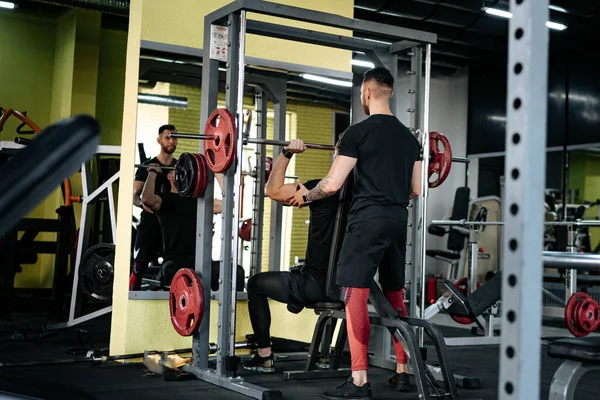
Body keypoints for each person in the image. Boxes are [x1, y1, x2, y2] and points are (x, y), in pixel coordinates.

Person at [292, 67, 422, 399]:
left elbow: (334, 184)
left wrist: (306, 196)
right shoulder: (411, 139)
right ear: (389, 92)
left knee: (355, 296)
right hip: (397, 220)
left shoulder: (356, 133)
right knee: (395, 295)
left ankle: (360, 380)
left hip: (367, 221)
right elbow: (416, 189)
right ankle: (403, 371)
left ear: (366, 93)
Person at [241, 139, 340, 374]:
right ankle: (324, 356)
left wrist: (286, 152)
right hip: (347, 288)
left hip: (313, 286)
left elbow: (272, 191)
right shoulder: (368, 196)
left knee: (255, 284)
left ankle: (264, 356)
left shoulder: (318, 190)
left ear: (338, 156)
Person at [141, 164, 226, 286]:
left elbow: (227, 205)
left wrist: (216, 172)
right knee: (174, 272)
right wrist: (152, 173)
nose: (183, 173)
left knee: (236, 272)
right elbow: (146, 199)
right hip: (175, 261)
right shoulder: (164, 199)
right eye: (178, 171)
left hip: (201, 261)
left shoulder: (199, 202)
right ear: (169, 177)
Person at [130, 124, 178, 290]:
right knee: (139, 267)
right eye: (168, 137)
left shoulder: (180, 167)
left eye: (174, 137)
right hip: (150, 222)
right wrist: (143, 204)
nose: (172, 141)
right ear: (159, 140)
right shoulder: (147, 165)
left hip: (172, 224)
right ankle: (132, 298)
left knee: (173, 268)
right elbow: (135, 196)